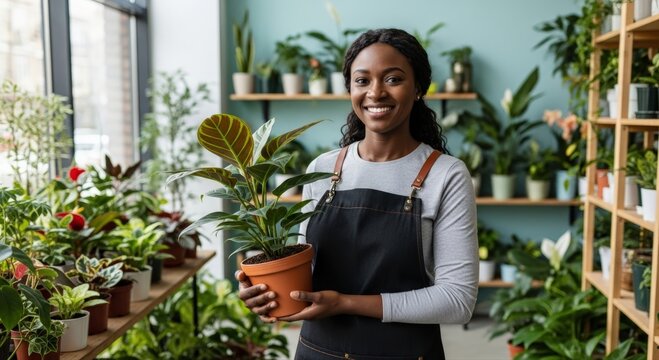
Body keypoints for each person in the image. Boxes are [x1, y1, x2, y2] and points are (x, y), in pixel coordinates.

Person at [235, 28, 478, 359]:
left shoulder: (445, 175)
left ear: (419, 87)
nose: (376, 92)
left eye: (393, 79)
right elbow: (304, 272)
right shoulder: (323, 169)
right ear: (350, 88)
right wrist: (265, 289)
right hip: (318, 351)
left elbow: (457, 301)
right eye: (362, 81)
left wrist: (344, 303)